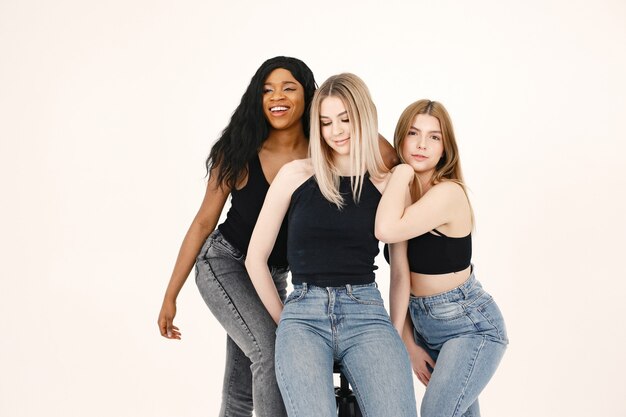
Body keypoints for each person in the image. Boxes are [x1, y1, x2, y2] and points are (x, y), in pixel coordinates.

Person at [157, 57, 397, 417]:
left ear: (309, 96)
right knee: (270, 352)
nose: (277, 96)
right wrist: (170, 296)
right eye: (267, 89)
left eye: (288, 87)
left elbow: (389, 161)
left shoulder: (326, 141)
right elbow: (203, 223)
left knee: (243, 381)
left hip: (275, 274)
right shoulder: (238, 150)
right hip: (225, 263)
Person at [245, 73, 418, 417]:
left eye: (345, 119)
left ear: (364, 117)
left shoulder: (386, 184)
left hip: (366, 312)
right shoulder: (295, 175)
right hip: (303, 313)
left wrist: (394, 335)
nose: (336, 131)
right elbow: (255, 259)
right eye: (326, 122)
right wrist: (286, 322)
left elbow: (400, 270)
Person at [375, 99, 509, 417]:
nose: (422, 145)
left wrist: (402, 169)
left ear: (445, 147)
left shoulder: (447, 193)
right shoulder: (403, 194)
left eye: (434, 137)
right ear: (401, 138)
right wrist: (407, 343)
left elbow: (385, 229)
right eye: (413, 133)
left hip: (470, 326)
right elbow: (400, 275)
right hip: (426, 328)